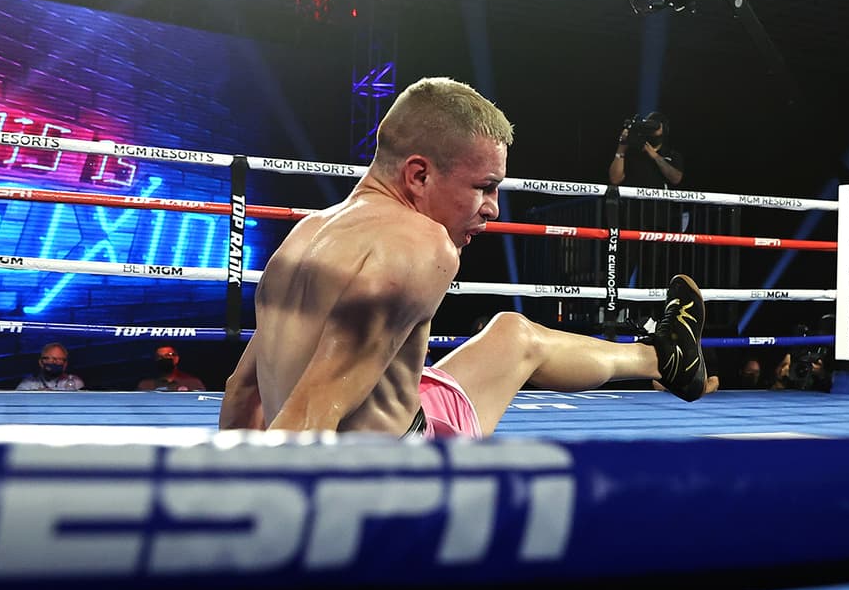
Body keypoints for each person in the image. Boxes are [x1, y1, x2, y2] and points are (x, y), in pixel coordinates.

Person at [218, 77, 708, 437]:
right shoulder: (421, 244)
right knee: (516, 344)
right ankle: (664, 357)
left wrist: (220, 502)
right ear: (419, 176)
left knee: (512, 334)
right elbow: (309, 414)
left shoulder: (305, 235)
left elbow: (244, 394)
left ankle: (665, 356)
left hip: (364, 435)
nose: (493, 208)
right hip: (395, 479)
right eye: (484, 187)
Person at [608, 111, 683, 190]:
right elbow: (615, 180)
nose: (652, 129)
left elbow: (676, 179)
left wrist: (655, 156)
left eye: (656, 126)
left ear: (664, 130)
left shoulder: (671, 155)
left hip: (657, 202)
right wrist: (621, 147)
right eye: (649, 125)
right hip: (632, 201)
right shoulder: (632, 151)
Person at [15, 341, 85, 391]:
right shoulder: (28, 383)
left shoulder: (74, 382)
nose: (54, 363)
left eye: (59, 359)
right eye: (50, 359)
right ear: (41, 362)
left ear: (65, 364)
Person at [136, 345, 206, 391]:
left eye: (168, 355)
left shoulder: (193, 383)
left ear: (176, 358)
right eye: (160, 356)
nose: (164, 359)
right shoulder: (145, 385)